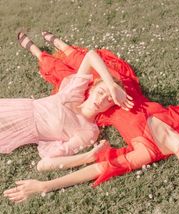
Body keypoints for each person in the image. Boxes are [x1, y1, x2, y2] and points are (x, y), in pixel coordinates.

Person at [3, 33, 179, 203]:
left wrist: (45, 186)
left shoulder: (148, 152)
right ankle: (60, 44)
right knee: (90, 63)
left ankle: (37, 51)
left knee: (62, 75)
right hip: (122, 89)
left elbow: (99, 168)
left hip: (104, 107)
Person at [0, 32, 133, 158]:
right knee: (54, 67)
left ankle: (46, 46)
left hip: (22, 131)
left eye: (109, 99)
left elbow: (55, 155)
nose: (101, 99)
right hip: (19, 108)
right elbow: (90, 56)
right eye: (100, 92)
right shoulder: (74, 94)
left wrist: (89, 156)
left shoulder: (89, 131)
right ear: (92, 90)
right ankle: (37, 50)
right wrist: (111, 85)